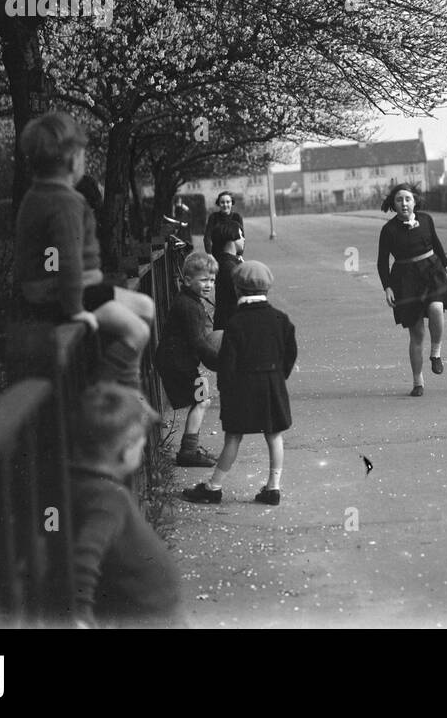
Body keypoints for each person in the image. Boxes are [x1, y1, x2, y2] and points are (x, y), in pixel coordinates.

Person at [14, 112, 155, 389]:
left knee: (145, 307)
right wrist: (76, 309)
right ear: (71, 160)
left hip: (62, 289)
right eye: (82, 155)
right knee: (136, 329)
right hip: (64, 294)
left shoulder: (36, 195)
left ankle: (116, 380)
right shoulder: (66, 201)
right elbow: (68, 260)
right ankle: (110, 391)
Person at [183, 261, 297, 507]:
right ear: (267, 288)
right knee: (274, 436)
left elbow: (228, 363)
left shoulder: (235, 324)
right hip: (271, 386)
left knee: (233, 438)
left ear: (237, 289)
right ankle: (273, 487)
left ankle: (214, 487)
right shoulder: (281, 319)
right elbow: (290, 353)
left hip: (242, 389)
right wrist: (278, 377)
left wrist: (226, 389)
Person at [70, 383, 184, 627]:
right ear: (125, 451)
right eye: (141, 441)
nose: (143, 445)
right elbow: (83, 558)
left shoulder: (84, 484)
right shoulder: (108, 499)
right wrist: (80, 618)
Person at [376, 183, 447, 397]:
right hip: (405, 279)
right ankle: (418, 382)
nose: (404, 203)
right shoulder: (388, 230)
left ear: (414, 201)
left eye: (407, 199)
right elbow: (382, 261)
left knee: (436, 309)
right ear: (393, 205)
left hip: (431, 270)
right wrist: (387, 288)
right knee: (417, 333)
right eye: (399, 200)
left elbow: (437, 243)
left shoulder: (426, 219)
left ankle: (436, 353)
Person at [154, 251, 223, 467]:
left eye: (212, 280)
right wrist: (222, 362)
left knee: (202, 400)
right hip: (177, 363)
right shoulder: (188, 306)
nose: (208, 285)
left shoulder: (191, 300)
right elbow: (199, 343)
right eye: (203, 280)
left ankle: (190, 448)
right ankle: (188, 452)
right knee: (201, 401)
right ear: (187, 280)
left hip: (180, 362)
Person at [207, 212, 244, 331]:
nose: (243, 239)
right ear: (232, 238)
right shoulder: (229, 267)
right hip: (230, 328)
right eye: (240, 235)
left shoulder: (227, 262)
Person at [203, 190, 245, 255]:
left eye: (228, 202)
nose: (225, 205)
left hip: (233, 254)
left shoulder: (237, 217)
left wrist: (240, 254)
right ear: (218, 204)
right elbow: (207, 237)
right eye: (222, 202)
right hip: (216, 254)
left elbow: (241, 237)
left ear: (232, 203)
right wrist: (209, 253)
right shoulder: (213, 217)